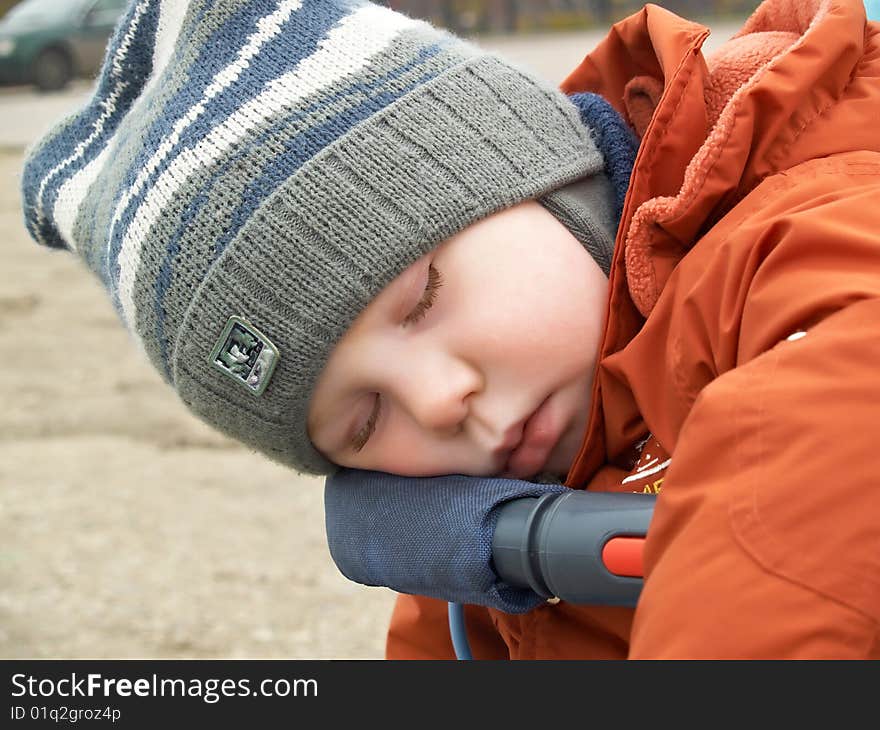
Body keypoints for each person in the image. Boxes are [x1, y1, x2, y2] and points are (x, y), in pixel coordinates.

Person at [20, 0, 880, 660]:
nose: (438, 401)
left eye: (422, 298)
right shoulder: (483, 552)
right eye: (362, 422)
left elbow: (834, 410)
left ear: (546, 176)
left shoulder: (799, 226)